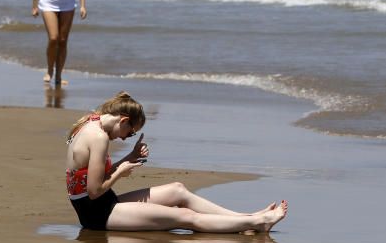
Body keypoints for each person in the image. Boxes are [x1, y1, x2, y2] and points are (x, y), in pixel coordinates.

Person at [66, 92, 288, 232]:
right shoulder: (99, 137)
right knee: (185, 217)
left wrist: (129, 158)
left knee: (177, 190)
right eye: (130, 132)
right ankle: (256, 223)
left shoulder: (93, 122)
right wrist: (120, 172)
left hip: (104, 203)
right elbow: (94, 191)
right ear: (123, 120)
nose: (125, 137)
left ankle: (248, 217)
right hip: (97, 215)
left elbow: (91, 177)